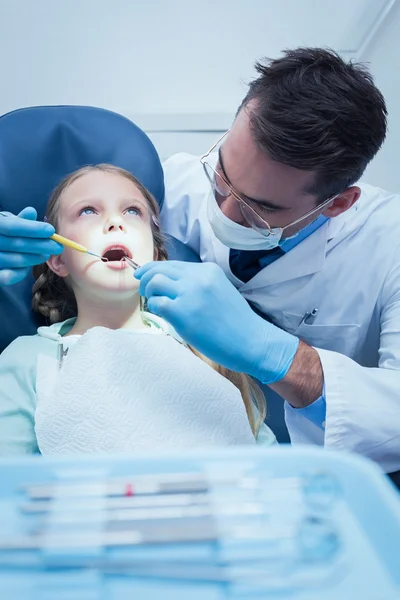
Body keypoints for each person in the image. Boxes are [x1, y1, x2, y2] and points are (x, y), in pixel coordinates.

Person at [0, 48, 399, 474]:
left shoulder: (387, 243)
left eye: (257, 210)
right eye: (223, 176)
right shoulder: (173, 186)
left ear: (338, 204)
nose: (223, 211)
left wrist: (280, 357)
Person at [0, 164, 274, 455]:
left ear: (154, 253)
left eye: (132, 211)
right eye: (88, 211)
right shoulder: (27, 360)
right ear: (58, 260)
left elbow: (270, 469)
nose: (115, 222)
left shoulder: (201, 346)